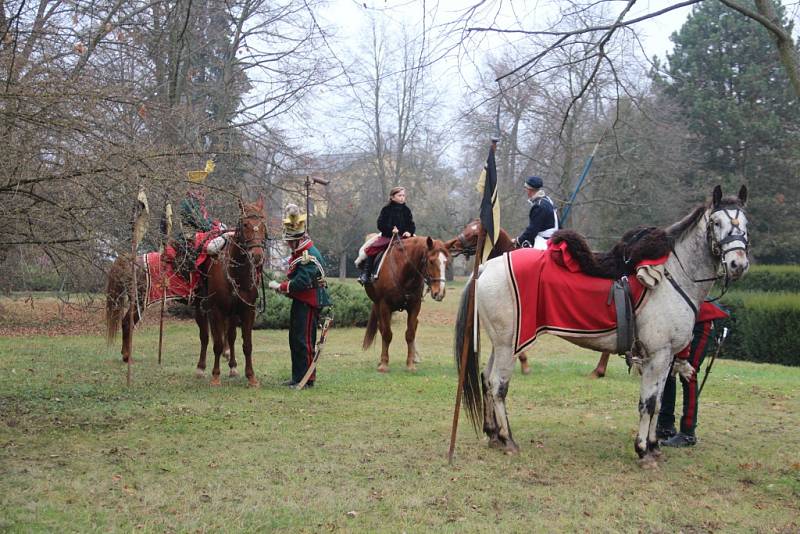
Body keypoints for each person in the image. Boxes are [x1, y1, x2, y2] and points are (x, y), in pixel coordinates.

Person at [269, 204, 331, 389]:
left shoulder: (308, 254)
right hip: (301, 301)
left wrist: (280, 286)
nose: (288, 244)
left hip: (309, 302)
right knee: (295, 339)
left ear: (297, 240)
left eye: (289, 241)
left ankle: (307, 380)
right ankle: (297, 377)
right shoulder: (302, 251)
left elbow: (302, 282)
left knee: (304, 340)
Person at [656, 301, 730, 447]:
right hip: (680, 321)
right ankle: (666, 426)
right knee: (668, 370)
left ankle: (688, 433)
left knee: (688, 373)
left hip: (700, 322)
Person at [356, 186, 416, 285]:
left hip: (404, 237)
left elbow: (411, 224)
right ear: (392, 197)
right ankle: (365, 274)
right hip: (388, 236)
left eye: (403, 196)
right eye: (399, 195)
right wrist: (391, 230)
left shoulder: (407, 210)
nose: (402, 197)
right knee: (372, 249)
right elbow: (380, 224)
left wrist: (409, 231)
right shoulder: (386, 209)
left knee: (419, 249)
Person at [515, 176, 558, 250]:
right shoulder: (547, 200)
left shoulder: (539, 206)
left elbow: (532, 230)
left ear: (530, 190)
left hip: (544, 240)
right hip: (553, 237)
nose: (526, 191)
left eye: (526, 188)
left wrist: (518, 240)